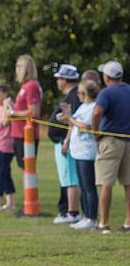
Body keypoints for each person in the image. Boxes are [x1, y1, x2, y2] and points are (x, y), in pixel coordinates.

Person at [92, 60, 130, 234]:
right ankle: (128, 222)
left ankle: (104, 223)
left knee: (106, 183)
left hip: (111, 141)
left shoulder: (106, 92)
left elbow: (97, 112)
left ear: (106, 77)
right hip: (128, 140)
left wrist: (95, 132)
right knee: (128, 183)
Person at [60, 80, 99, 230]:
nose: (77, 95)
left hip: (87, 153)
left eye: (79, 92)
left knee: (89, 186)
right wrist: (68, 115)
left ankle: (92, 218)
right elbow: (75, 122)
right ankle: (85, 216)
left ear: (84, 94)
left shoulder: (92, 107)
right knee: (82, 185)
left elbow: (86, 126)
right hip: (78, 152)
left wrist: (70, 118)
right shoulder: (83, 106)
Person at [49, 64, 82, 224]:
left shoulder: (74, 97)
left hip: (66, 143)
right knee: (67, 178)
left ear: (66, 80)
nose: (57, 82)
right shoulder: (70, 95)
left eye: (59, 79)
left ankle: (72, 212)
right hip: (61, 143)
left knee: (70, 178)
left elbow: (72, 121)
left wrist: (66, 141)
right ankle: (68, 210)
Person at [9, 54, 42, 168]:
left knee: (27, 169)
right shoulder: (25, 85)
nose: (16, 69)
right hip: (19, 133)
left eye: (19, 66)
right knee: (23, 168)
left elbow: (34, 112)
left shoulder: (31, 86)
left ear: (27, 68)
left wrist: (13, 113)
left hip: (26, 134)